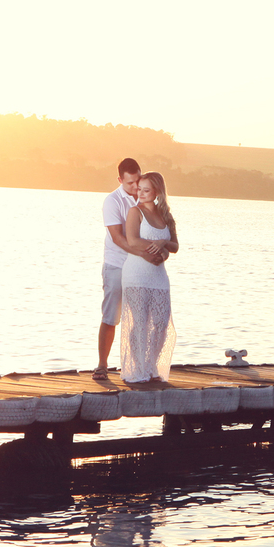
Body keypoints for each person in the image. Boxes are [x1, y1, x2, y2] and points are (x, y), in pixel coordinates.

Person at [95, 158, 168, 380]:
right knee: (111, 316)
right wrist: (146, 253)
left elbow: (161, 234)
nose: (135, 187)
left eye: (138, 181)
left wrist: (161, 252)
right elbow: (118, 238)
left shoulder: (147, 198)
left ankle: (141, 367)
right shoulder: (113, 201)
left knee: (141, 318)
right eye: (130, 184)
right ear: (120, 180)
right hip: (117, 265)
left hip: (141, 269)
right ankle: (102, 365)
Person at [120, 171, 179, 383]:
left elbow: (175, 246)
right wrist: (158, 251)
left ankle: (152, 364)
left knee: (162, 323)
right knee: (140, 322)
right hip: (136, 274)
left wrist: (163, 245)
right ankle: (139, 368)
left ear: (157, 192)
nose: (141, 193)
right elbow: (133, 241)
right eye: (139, 189)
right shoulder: (135, 212)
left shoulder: (166, 216)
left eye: (146, 190)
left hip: (158, 276)